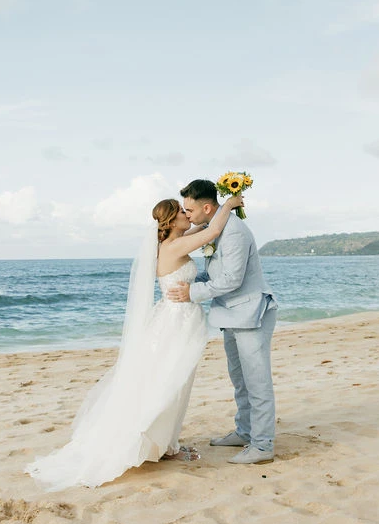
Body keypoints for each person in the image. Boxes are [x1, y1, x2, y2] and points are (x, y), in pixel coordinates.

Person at [25, 194, 244, 491]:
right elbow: (213, 232)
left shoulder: (174, 240)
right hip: (175, 323)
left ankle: (166, 443)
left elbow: (202, 230)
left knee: (174, 381)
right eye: (182, 211)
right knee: (170, 381)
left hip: (178, 319)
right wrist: (229, 204)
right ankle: (163, 446)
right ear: (171, 220)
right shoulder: (174, 245)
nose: (187, 214)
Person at [167, 179, 277, 465]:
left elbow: (232, 279)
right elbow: (216, 273)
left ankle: (263, 446)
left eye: (189, 210)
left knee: (257, 381)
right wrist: (191, 280)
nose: (187, 215)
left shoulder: (234, 232)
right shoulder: (213, 228)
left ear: (206, 207)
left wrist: (192, 293)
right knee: (239, 379)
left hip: (251, 313)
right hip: (230, 313)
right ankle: (245, 431)